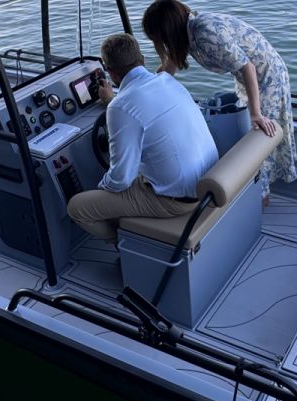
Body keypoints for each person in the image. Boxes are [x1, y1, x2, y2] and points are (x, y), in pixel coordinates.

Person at [66, 33, 219, 244]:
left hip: (176, 201)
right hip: (205, 183)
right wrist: (112, 101)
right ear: (143, 60)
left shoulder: (119, 107)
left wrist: (102, 188)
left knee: (77, 207)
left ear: (110, 72)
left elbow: (120, 179)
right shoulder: (167, 81)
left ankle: (123, 245)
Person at [141, 0, 295, 199]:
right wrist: (146, 89)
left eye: (160, 39)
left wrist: (256, 114)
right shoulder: (188, 31)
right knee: (254, 133)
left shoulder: (205, 33)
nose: (162, 44)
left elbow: (248, 67)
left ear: (168, 31)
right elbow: (169, 67)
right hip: (248, 77)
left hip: (267, 77)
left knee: (259, 134)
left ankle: (261, 197)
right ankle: (259, 194)